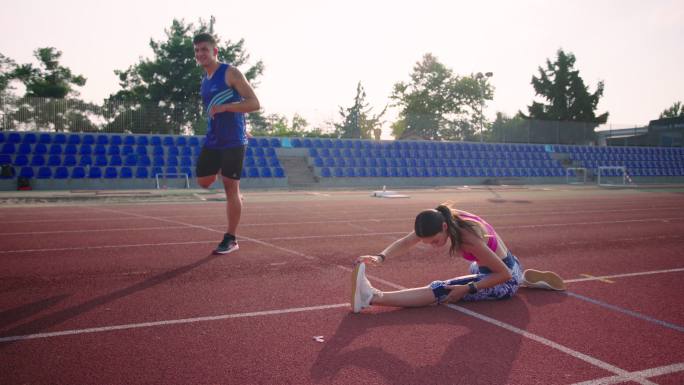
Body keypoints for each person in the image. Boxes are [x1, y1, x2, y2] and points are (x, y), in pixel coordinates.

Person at [351, 203, 565, 313]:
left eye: (435, 241)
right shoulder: (441, 218)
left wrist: (468, 289)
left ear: (444, 228)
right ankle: (523, 278)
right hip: (501, 264)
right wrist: (381, 257)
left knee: (442, 289)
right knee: (475, 269)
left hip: (504, 278)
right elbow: (407, 241)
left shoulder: (467, 239)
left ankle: (372, 297)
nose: (433, 246)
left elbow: (502, 274)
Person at [193, 33, 260, 254]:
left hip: (233, 141)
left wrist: (226, 109)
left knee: (230, 187)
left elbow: (254, 103)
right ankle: (230, 182)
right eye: (197, 50)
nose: (200, 53)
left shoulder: (230, 73)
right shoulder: (205, 80)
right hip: (214, 139)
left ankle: (231, 238)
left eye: (204, 49)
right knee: (203, 181)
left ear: (215, 51)